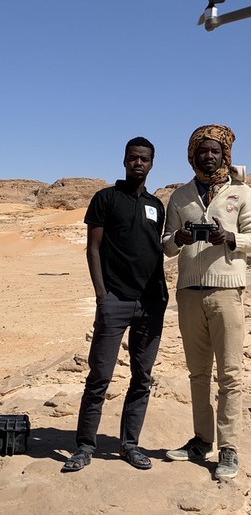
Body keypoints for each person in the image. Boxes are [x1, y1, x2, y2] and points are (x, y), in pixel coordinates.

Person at [62, 137, 168, 472]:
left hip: (151, 304)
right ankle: (84, 446)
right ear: (124, 161)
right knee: (100, 376)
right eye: (134, 158)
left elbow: (153, 248)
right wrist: (101, 296)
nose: (139, 163)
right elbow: (93, 248)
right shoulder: (105, 198)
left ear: (152, 164)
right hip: (116, 300)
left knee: (142, 377)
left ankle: (130, 444)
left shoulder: (156, 205)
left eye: (145, 159)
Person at [163, 124, 251, 480]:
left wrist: (229, 237)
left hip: (226, 292)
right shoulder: (180, 196)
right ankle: (202, 440)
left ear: (225, 155)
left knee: (230, 374)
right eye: (202, 150)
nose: (208, 156)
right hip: (189, 293)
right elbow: (166, 246)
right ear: (192, 155)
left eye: (214, 151)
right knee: (198, 373)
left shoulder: (242, 192)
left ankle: (229, 448)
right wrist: (179, 236)